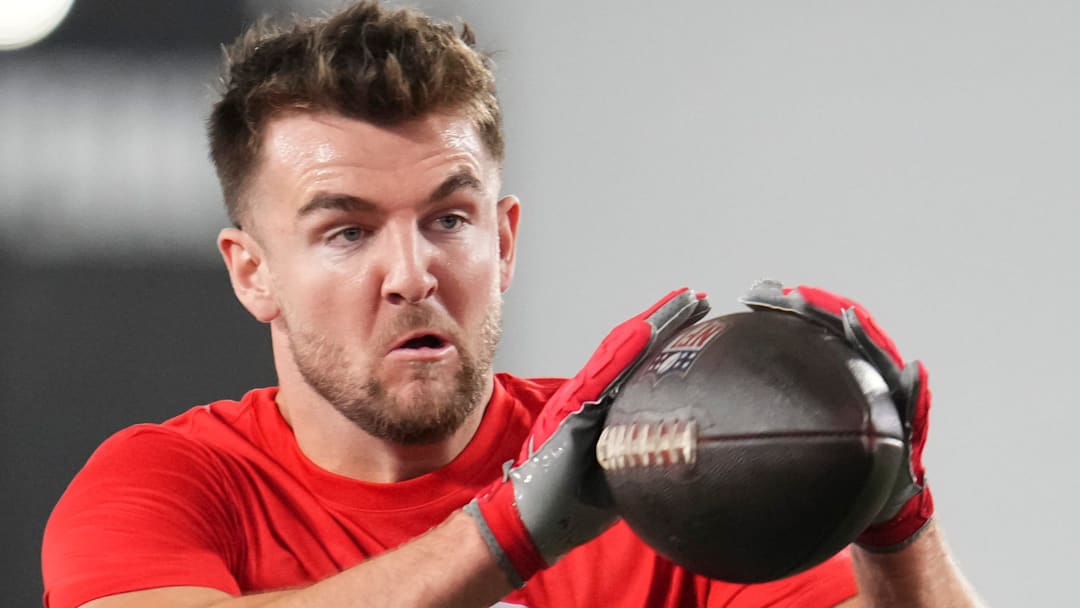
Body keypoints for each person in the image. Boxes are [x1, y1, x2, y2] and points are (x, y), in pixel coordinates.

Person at [41, 2, 984, 607]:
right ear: (252, 273)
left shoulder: (658, 474)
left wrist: (895, 520)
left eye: (448, 219)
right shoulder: (164, 487)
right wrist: (509, 533)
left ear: (503, 239)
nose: (411, 273)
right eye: (347, 232)